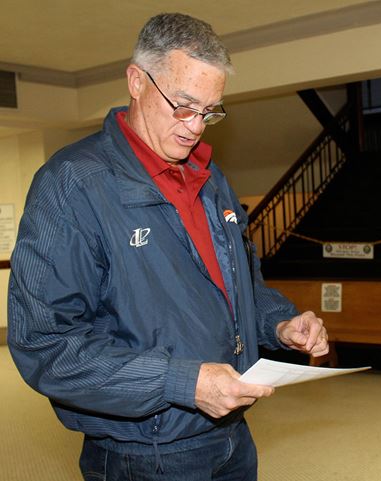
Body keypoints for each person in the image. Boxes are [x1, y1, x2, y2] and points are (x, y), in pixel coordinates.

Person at [7, 13, 328, 481]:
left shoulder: (210, 178)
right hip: (144, 452)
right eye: (183, 105)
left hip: (233, 433)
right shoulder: (73, 185)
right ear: (137, 81)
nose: (196, 127)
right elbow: (46, 344)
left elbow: (239, 283)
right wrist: (183, 382)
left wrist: (278, 322)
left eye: (210, 111)